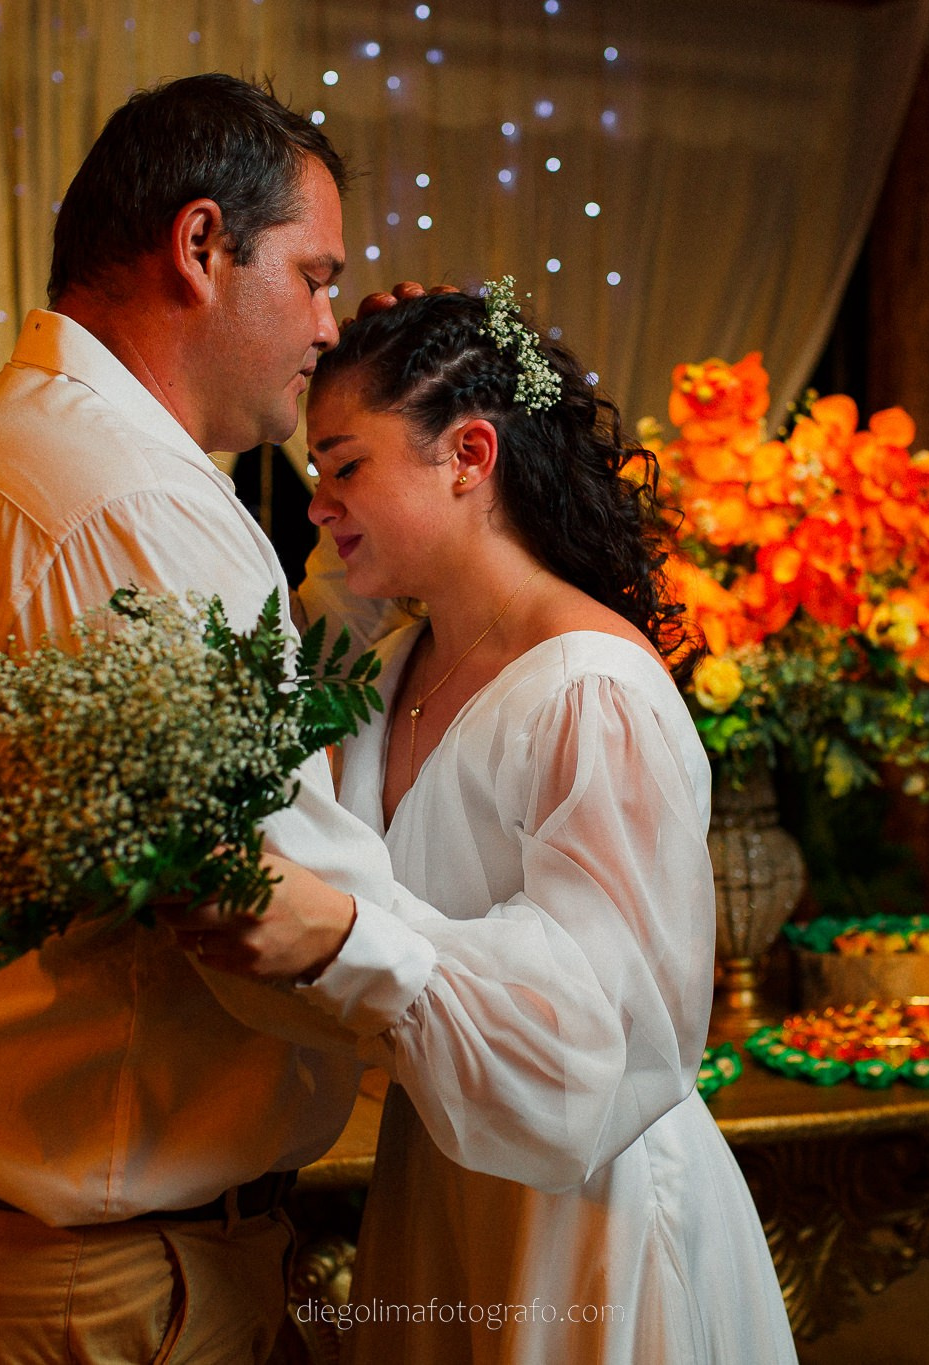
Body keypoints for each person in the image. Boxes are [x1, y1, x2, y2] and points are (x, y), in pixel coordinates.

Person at [0, 75, 445, 1365]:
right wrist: (524, 1006)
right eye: (315, 278)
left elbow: (236, 726)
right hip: (66, 1267)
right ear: (201, 246)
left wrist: (377, 518)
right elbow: (263, 894)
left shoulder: (63, 450)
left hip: (15, 1229)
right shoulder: (123, 507)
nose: (329, 326)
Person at [183, 288, 798, 1363]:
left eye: (344, 465)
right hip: (440, 1181)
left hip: (585, 1212)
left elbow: (598, 1037)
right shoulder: (380, 673)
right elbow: (290, 702)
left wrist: (345, 943)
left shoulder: (590, 690)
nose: (317, 505)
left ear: (469, 454)